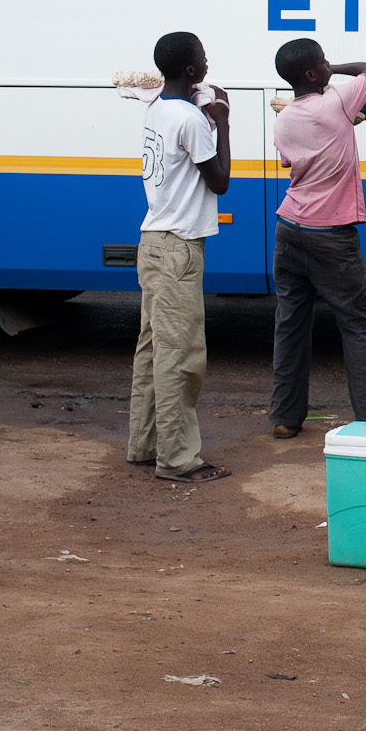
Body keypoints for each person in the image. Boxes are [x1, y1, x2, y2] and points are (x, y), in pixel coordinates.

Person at [268, 39, 366, 440]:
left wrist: (346, 119)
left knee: (290, 323)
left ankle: (285, 418)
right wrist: (336, 68)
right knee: (358, 325)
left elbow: (303, 156)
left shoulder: (285, 118)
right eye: (321, 61)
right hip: (331, 235)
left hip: (289, 228)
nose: (327, 65)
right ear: (312, 73)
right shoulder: (338, 98)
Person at [129, 31, 233, 485]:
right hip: (178, 248)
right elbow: (221, 181)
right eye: (203, 59)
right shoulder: (191, 119)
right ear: (191, 71)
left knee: (153, 348)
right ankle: (177, 458)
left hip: (153, 241)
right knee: (181, 355)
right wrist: (223, 122)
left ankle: (146, 442)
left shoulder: (158, 109)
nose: (207, 64)